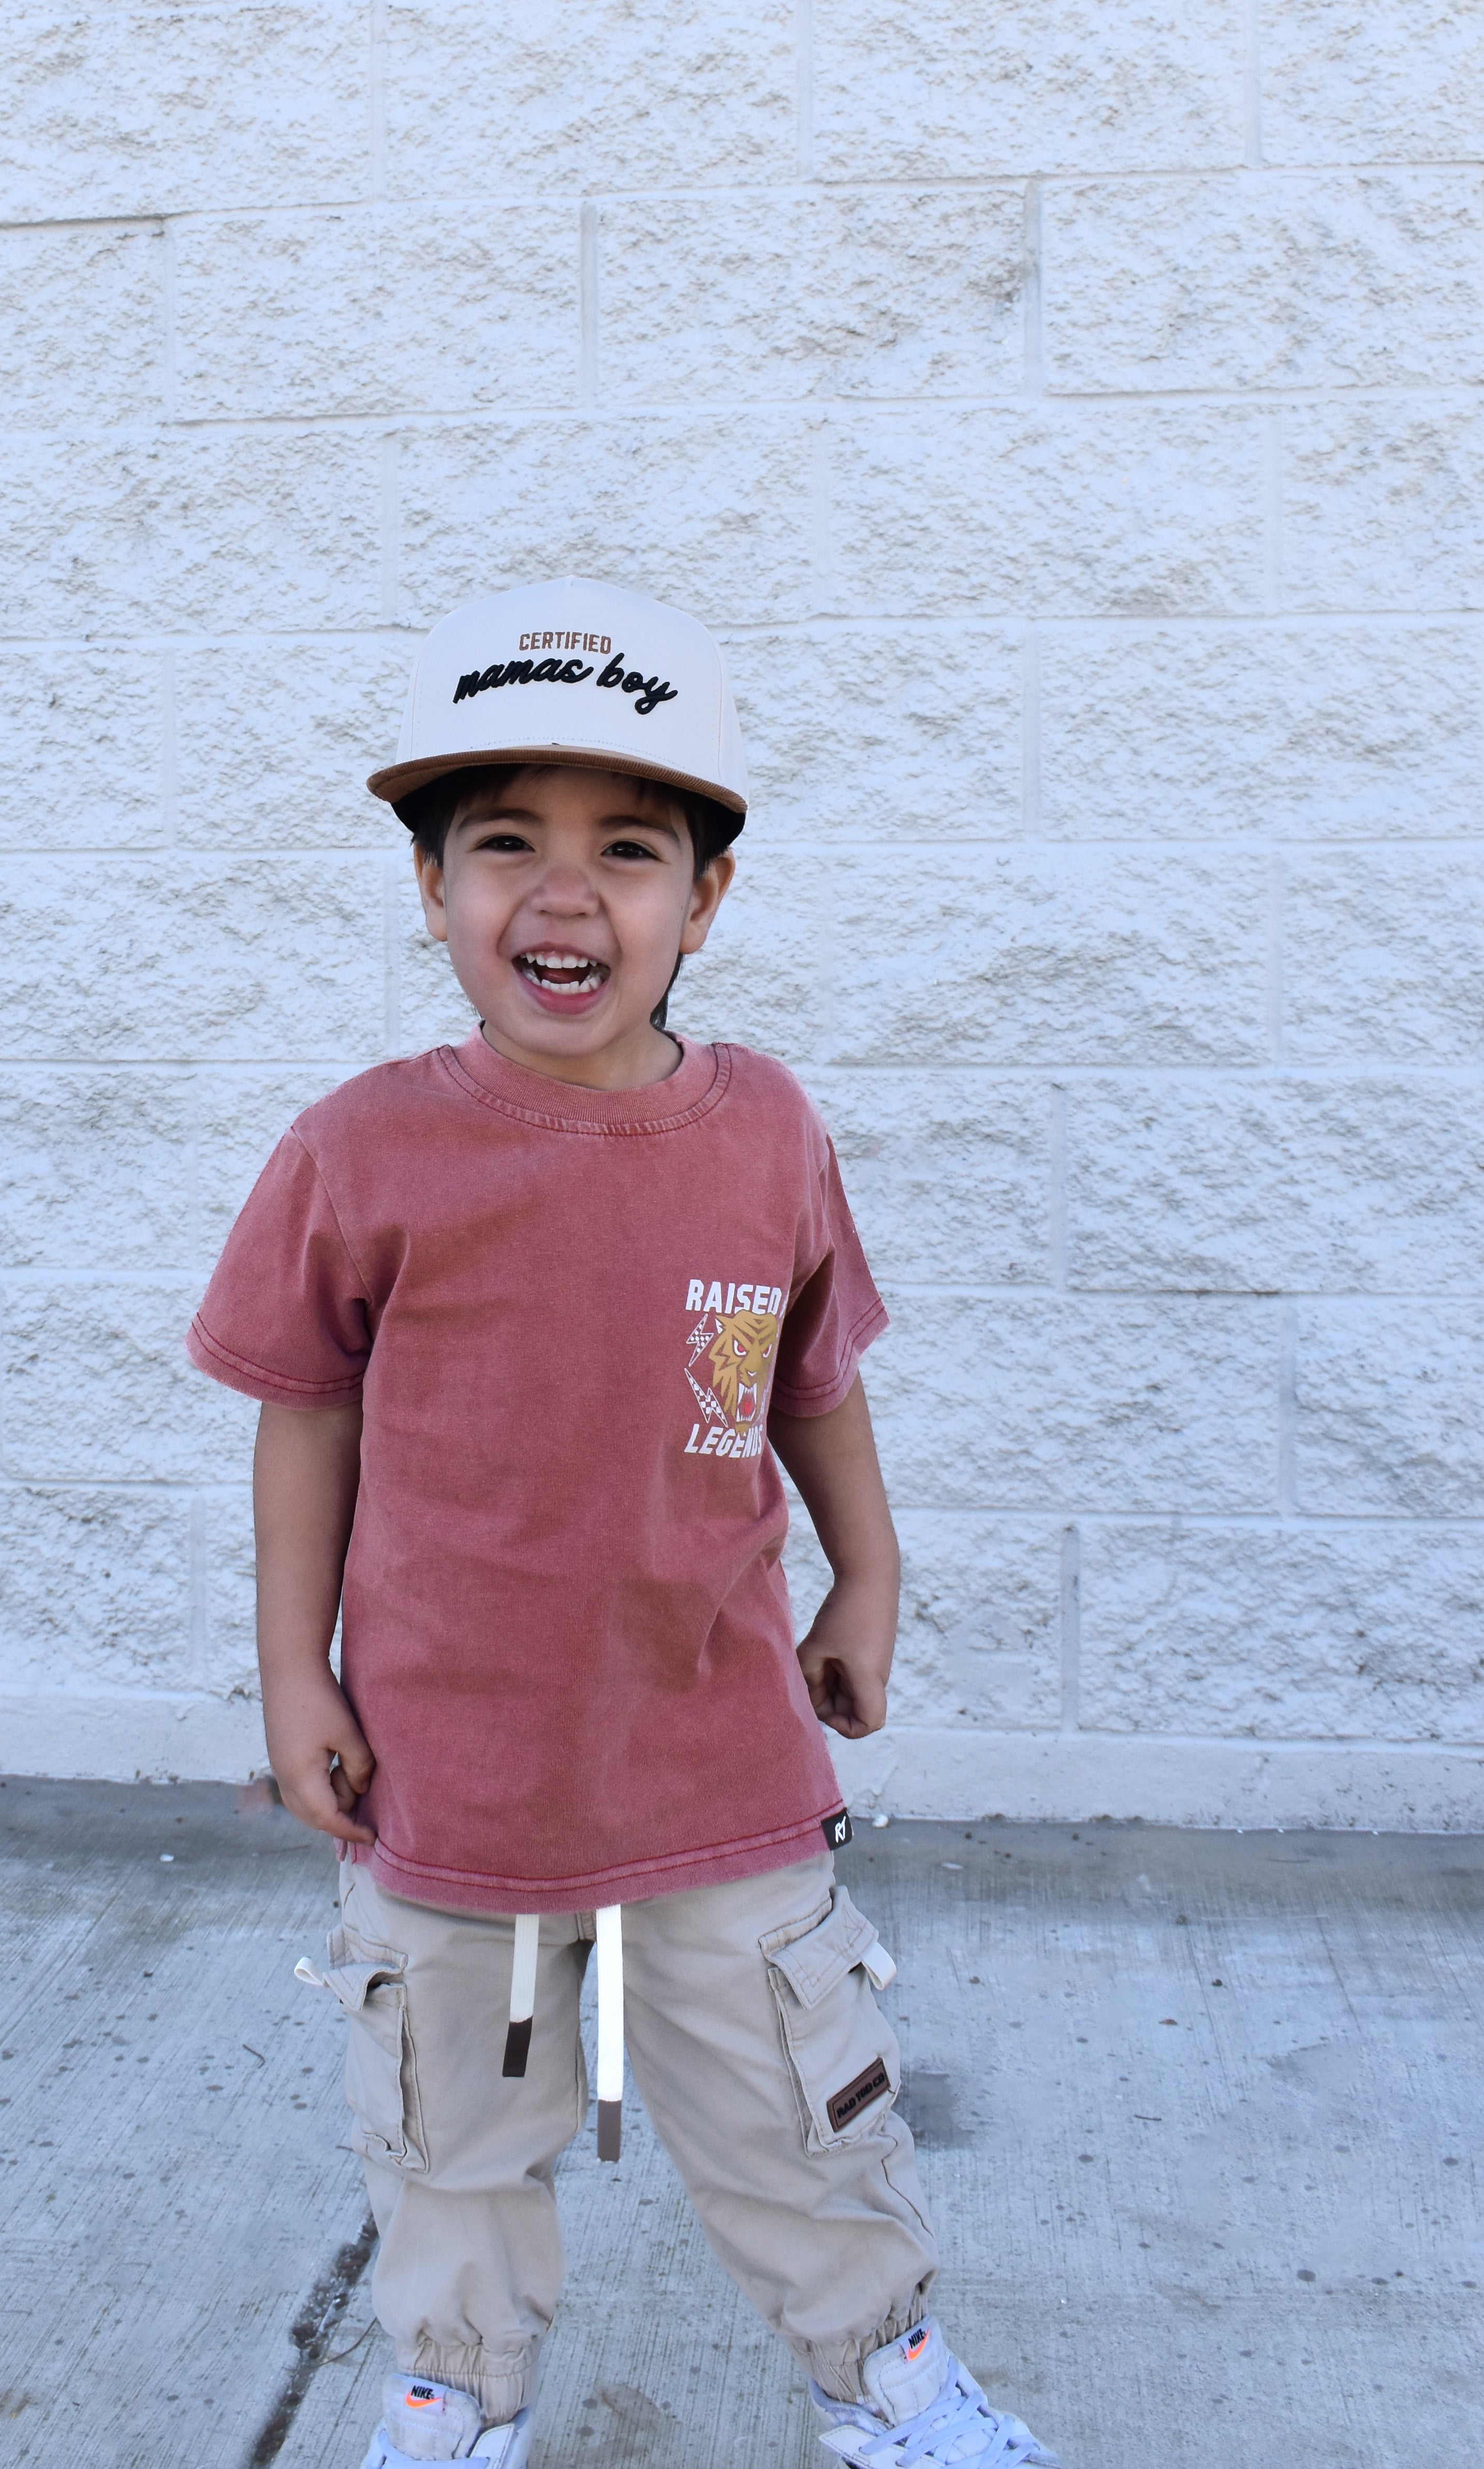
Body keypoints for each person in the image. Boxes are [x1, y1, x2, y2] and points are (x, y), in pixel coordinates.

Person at [187, 579, 1063, 2469]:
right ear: (432, 888)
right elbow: (301, 1415)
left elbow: (812, 1373)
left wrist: (872, 1569)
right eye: (505, 843)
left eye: (629, 849)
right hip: (454, 1757)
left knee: (797, 2097)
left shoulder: (768, 1129)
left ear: (707, 899)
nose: (564, 895)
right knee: (453, 2123)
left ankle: (881, 2374)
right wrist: (291, 1672)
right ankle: (454, 2395)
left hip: (713, 1740)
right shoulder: (359, 1150)